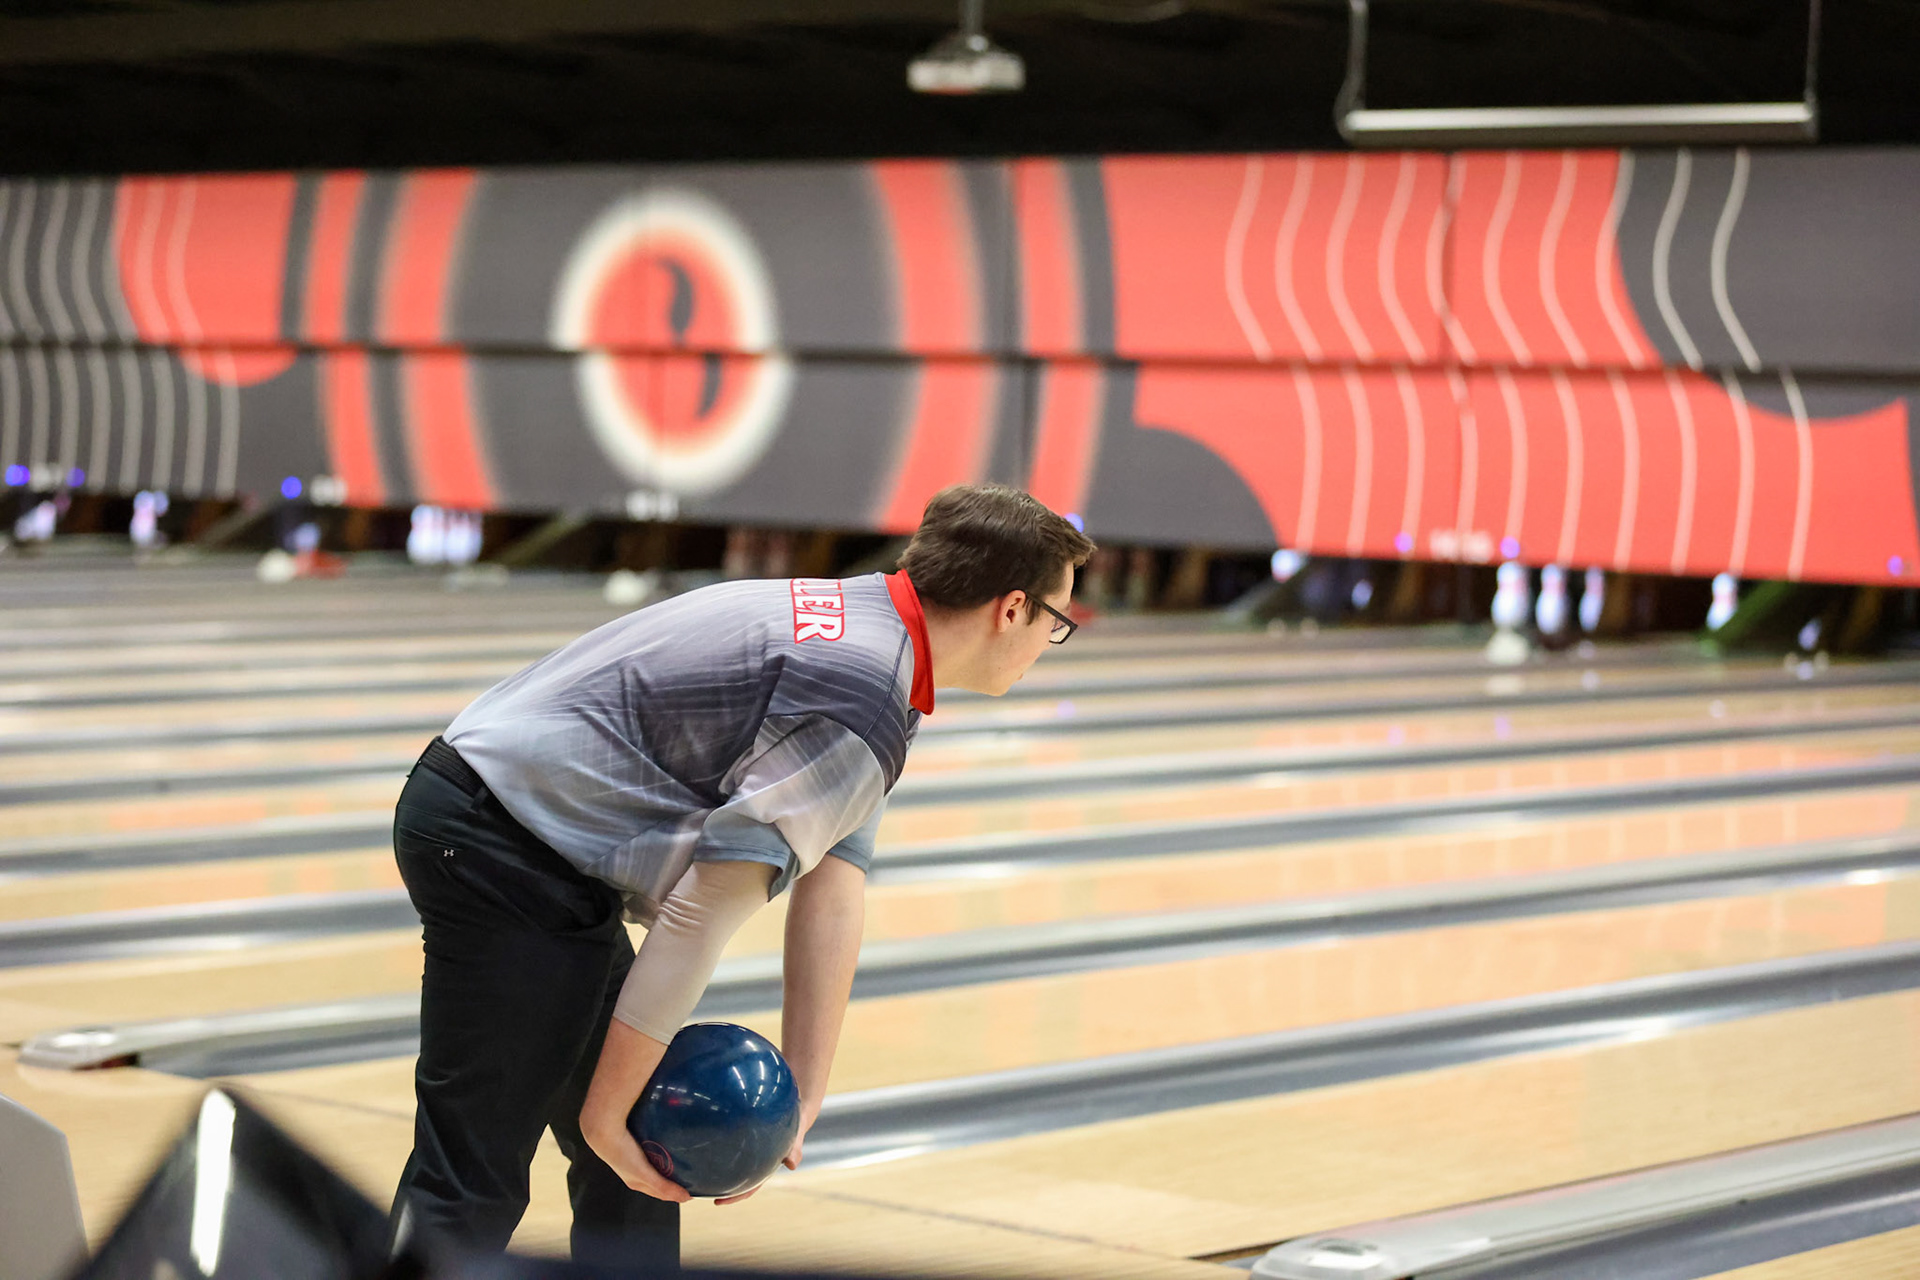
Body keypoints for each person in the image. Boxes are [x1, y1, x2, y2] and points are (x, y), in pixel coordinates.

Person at [387, 483, 1095, 1266]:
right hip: (499, 841)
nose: (1049, 644)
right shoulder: (859, 695)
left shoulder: (878, 637)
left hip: (523, 833)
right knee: (479, 1166)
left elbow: (835, 883)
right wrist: (602, 1115)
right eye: (1057, 623)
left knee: (637, 1155)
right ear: (1013, 608)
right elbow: (702, 913)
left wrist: (804, 1093)